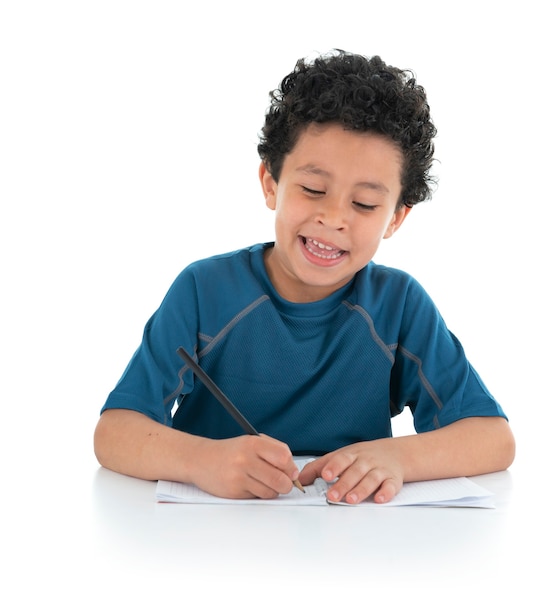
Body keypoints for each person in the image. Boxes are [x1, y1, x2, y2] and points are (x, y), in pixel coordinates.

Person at [94, 50, 515, 504]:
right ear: (271, 183)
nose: (333, 218)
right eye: (313, 190)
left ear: (396, 218)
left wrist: (399, 458)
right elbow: (115, 432)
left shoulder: (400, 304)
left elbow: (493, 439)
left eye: (366, 204)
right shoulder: (204, 290)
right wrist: (201, 461)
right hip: (215, 537)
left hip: (353, 538)